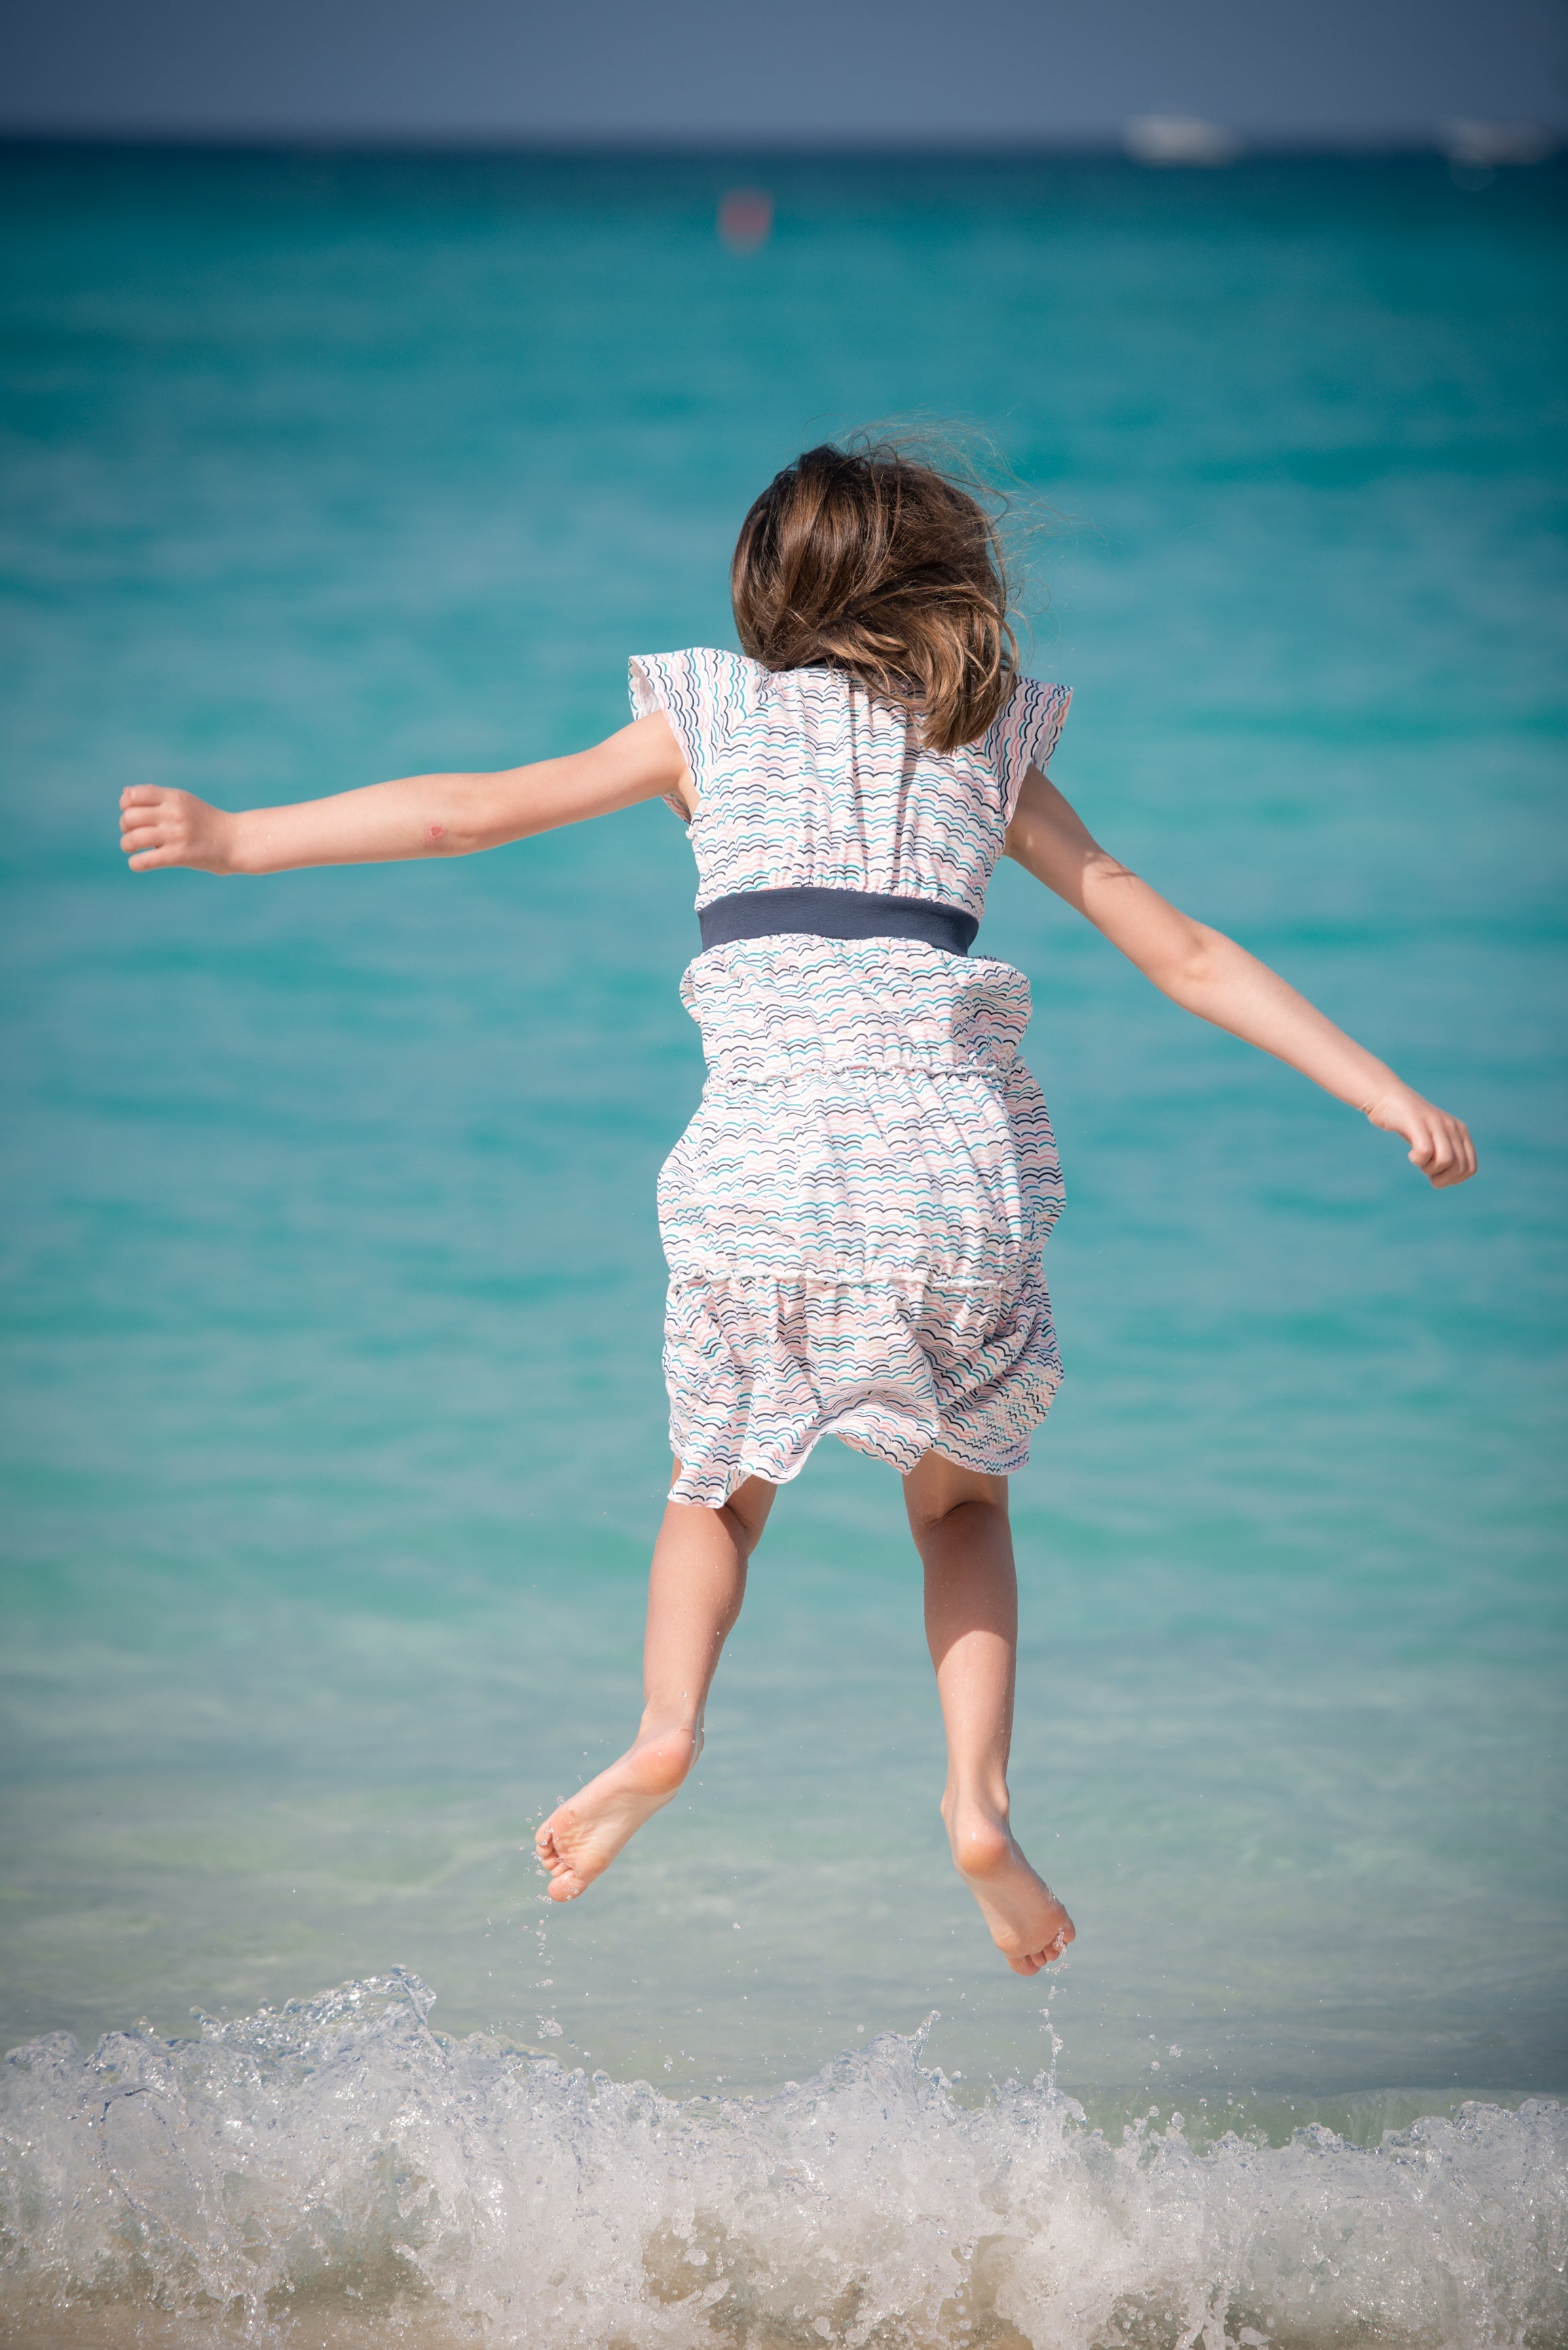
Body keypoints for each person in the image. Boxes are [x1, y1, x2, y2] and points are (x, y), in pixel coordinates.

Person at [118, 441, 1476, 1977]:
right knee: (959, 1507)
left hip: (762, 1177)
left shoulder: (703, 715)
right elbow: (1184, 952)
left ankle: (665, 1730)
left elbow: (467, 814)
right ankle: (977, 1806)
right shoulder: (982, 740)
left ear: (767, 587)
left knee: (715, 1493)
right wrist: (1378, 1089)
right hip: (948, 1182)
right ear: (952, 587)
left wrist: (240, 836)